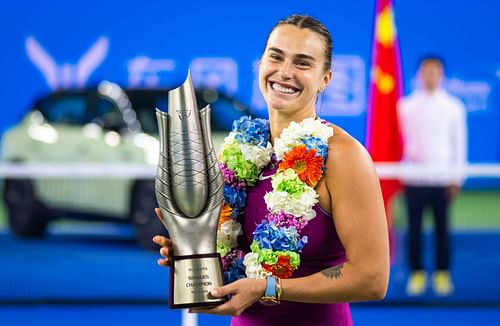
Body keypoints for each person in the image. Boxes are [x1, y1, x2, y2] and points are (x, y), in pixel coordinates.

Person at [153, 14, 389, 325]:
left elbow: (372, 278)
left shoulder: (343, 155)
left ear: (325, 79)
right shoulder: (239, 152)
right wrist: (190, 252)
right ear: (261, 64)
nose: (285, 72)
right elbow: (235, 256)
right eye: (276, 57)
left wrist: (270, 287)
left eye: (303, 63)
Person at [397, 56, 467, 296]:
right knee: (413, 229)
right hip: (413, 179)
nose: (430, 75)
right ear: (419, 74)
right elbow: (398, 143)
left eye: (435, 71)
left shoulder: (454, 107)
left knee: (442, 228)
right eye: (426, 71)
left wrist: (457, 177)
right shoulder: (404, 106)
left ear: (442, 75)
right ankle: (416, 274)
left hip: (441, 179)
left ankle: (442, 274)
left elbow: (459, 143)